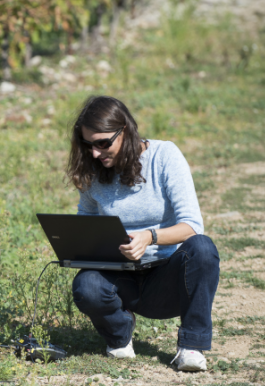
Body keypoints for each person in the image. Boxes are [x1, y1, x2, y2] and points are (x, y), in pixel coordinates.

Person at [66, 96, 220, 372]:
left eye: (103, 143)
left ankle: (192, 345)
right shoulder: (92, 171)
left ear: (125, 130)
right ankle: (119, 334)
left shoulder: (164, 156)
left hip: (167, 279)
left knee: (203, 248)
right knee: (86, 285)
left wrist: (149, 237)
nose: (95, 153)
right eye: (88, 145)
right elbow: (86, 225)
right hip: (121, 278)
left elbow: (192, 225)